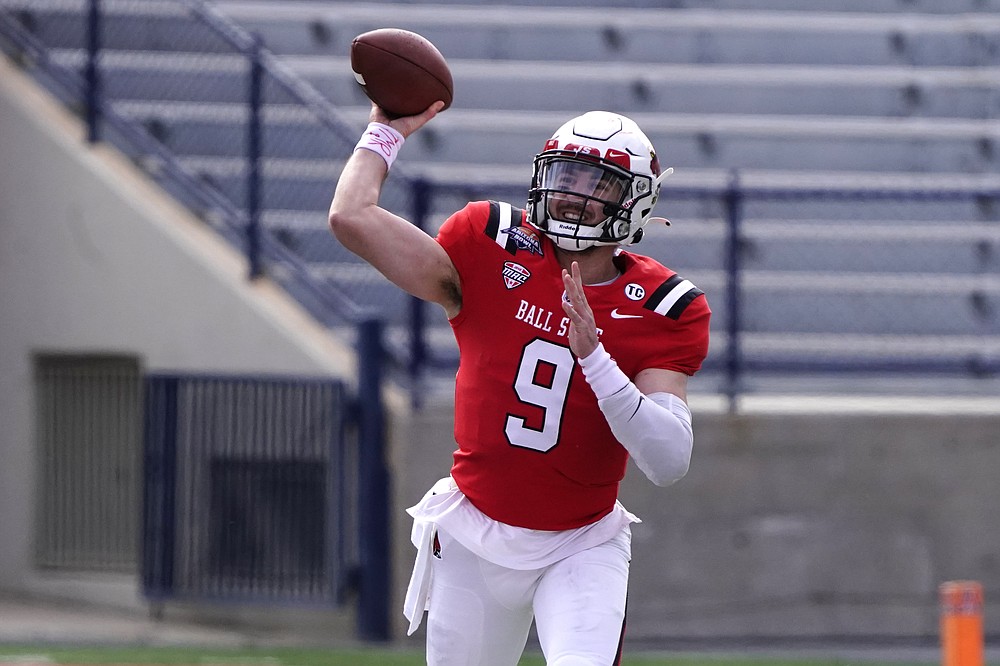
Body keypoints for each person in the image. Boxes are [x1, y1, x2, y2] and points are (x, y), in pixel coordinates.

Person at [329, 102, 711, 665]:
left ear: (635, 201)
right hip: (472, 531)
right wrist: (385, 131)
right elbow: (350, 219)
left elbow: (669, 459)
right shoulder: (491, 244)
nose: (573, 195)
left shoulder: (661, 306)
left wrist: (596, 359)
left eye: (596, 183)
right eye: (566, 176)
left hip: (581, 543)